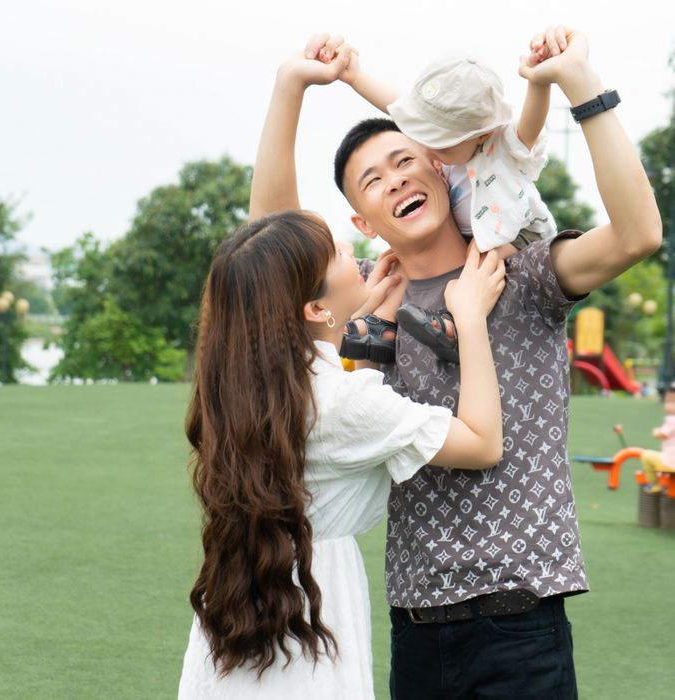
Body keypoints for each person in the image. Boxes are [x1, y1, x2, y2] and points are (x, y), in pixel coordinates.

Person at [251, 27, 662, 699]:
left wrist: (581, 86)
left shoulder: (520, 273)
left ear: (443, 169)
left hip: (523, 620)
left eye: (406, 161)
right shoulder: (370, 293)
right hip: (415, 626)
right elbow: (270, 247)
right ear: (362, 223)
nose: (396, 179)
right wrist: (290, 84)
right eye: (372, 180)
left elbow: (638, 234)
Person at [177, 210, 506, 696]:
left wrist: (362, 323)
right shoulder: (337, 401)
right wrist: (471, 318)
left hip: (242, 617)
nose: (352, 250)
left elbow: (337, 419)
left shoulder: (241, 390)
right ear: (315, 308)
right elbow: (481, 443)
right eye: (336, 253)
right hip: (312, 612)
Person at [327, 32, 563, 363]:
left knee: (479, 258)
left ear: (480, 133)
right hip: (474, 230)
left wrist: (539, 82)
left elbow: (531, 124)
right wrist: (355, 77)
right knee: (400, 259)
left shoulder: (503, 149)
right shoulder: (445, 148)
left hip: (515, 234)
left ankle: (452, 326)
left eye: (440, 141)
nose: (429, 147)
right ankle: (383, 327)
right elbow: (397, 107)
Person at [640, 382, 675, 493]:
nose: (667, 405)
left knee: (646, 455)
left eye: (671, 403)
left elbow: (662, 434)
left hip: (671, 462)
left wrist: (656, 431)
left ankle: (655, 484)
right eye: (667, 402)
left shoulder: (672, 420)